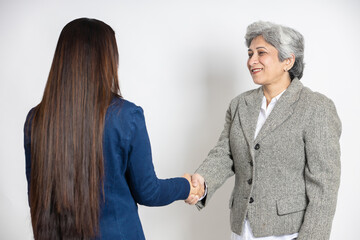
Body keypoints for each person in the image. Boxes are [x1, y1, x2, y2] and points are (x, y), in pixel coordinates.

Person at [24, 18, 200, 240]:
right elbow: (149, 192)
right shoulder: (126, 116)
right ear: (106, 60)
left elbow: (36, 198)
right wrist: (186, 186)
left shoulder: (37, 119)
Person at [186, 21, 341, 240]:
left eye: (261, 53)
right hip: (242, 230)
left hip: (289, 233)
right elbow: (225, 154)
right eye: (249, 54)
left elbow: (324, 186)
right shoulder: (239, 105)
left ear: (287, 61)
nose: (251, 61)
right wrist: (201, 181)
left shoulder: (316, 107)